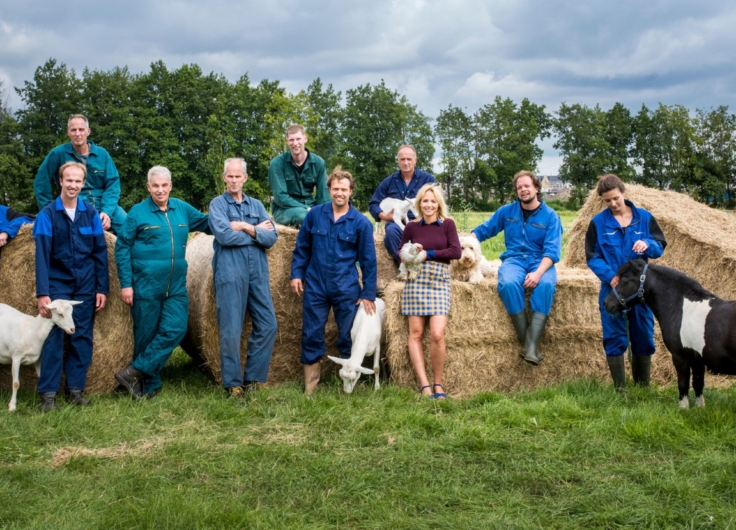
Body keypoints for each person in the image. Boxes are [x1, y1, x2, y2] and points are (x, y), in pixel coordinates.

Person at [113, 166, 210, 399]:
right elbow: (122, 246)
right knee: (145, 335)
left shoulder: (182, 209)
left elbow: (209, 223)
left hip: (175, 285)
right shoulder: (137, 213)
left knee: (176, 328)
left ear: (170, 186)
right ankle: (150, 384)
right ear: (148, 187)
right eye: (155, 186)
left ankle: (132, 372)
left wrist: (242, 222)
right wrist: (126, 284)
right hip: (145, 284)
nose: (160, 190)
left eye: (164, 185)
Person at [290, 166, 377, 395]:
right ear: (329, 189)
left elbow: (369, 260)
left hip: (346, 287)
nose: (340, 193)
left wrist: (368, 293)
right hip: (316, 285)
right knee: (311, 333)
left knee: (347, 335)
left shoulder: (361, 223)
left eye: (344, 189)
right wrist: (297, 273)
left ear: (351, 192)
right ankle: (311, 385)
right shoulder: (314, 215)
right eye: (336, 188)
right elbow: (302, 248)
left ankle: (348, 382)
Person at [33, 162, 109, 412]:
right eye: (69, 180)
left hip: (86, 284)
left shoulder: (90, 213)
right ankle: (48, 394)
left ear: (83, 183)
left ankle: (75, 389)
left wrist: (102, 288)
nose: (73, 185)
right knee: (53, 337)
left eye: (78, 181)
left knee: (82, 335)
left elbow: (100, 253)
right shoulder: (47, 215)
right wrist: (43, 293)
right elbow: (42, 256)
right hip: (58, 283)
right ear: (60, 181)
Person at [471, 170, 563, 365]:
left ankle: (529, 346)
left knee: (545, 285)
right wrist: (466, 239)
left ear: (536, 188)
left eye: (527, 186)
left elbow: (552, 252)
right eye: (519, 187)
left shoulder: (551, 216)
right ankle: (530, 346)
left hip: (541, 260)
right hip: (514, 259)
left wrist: (538, 274)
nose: (523, 190)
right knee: (508, 283)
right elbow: (486, 229)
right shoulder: (507, 211)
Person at [585, 174, 667, 389]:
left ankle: (643, 387)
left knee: (643, 334)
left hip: (640, 289)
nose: (612, 204)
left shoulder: (645, 218)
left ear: (624, 193)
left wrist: (647, 244)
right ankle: (620, 389)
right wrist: (609, 276)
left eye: (615, 198)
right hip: (613, 287)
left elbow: (660, 246)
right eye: (607, 201)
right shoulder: (598, 223)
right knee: (613, 336)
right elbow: (592, 257)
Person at [209, 158, 278, 402]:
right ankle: (233, 385)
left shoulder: (257, 205)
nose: (234, 180)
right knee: (230, 329)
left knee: (269, 324)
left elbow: (273, 237)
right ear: (224, 177)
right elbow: (225, 236)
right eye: (230, 176)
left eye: (238, 176)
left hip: (257, 273)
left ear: (245, 178)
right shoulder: (217, 205)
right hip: (230, 273)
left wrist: (245, 227)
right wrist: (257, 231)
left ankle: (253, 379)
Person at [398, 184, 461, 399]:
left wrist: (429, 254)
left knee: (437, 334)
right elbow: (401, 251)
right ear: (419, 204)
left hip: (439, 281)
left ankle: (438, 383)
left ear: (438, 204)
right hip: (416, 280)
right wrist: (407, 255)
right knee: (415, 334)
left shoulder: (448, 225)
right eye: (425, 201)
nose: (429, 204)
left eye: (433, 201)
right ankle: (424, 385)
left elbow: (456, 251)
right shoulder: (412, 227)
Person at [34, 114, 127, 234]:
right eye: (73, 130)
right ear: (68, 132)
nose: (77, 133)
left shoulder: (102, 154)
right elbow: (41, 181)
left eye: (81, 129)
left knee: (128, 226)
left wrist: (107, 211)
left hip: (103, 201)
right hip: (75, 201)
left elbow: (113, 184)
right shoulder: (57, 153)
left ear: (88, 131)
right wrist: (48, 209)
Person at [369, 145, 437, 264]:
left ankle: (422, 264)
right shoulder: (388, 182)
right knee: (391, 231)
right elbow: (373, 203)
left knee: (432, 234)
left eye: (409, 159)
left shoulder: (427, 179)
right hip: (396, 224)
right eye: (402, 159)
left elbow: (437, 203)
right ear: (398, 161)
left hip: (421, 223)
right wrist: (384, 216)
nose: (405, 162)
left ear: (415, 160)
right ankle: (403, 264)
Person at [268, 124, 330, 227]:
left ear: (305, 139)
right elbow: (280, 197)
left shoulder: (318, 162)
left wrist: (324, 211)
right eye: (291, 140)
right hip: (285, 209)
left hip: (311, 206)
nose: (295, 143)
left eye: (298, 139)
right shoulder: (277, 164)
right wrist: (306, 208)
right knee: (304, 216)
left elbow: (324, 196)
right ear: (287, 142)